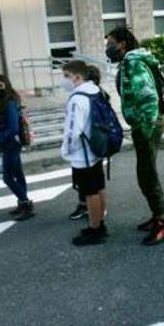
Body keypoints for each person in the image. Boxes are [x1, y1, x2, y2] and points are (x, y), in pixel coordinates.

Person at [105, 26, 164, 245]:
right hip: (146, 123)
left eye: (110, 43)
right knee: (145, 172)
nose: (108, 48)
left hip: (148, 124)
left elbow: (147, 97)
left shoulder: (133, 63)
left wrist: (144, 128)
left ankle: (163, 222)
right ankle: (156, 216)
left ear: (123, 43)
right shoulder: (131, 61)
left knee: (147, 173)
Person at [60, 60, 109, 246]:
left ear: (77, 77)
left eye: (66, 76)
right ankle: (100, 224)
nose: (63, 80)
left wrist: (66, 151)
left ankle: (95, 230)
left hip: (83, 154)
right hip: (96, 148)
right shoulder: (95, 91)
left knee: (90, 193)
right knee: (99, 188)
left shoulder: (77, 99)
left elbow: (73, 131)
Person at [0, 74, 34, 220]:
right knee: (18, 174)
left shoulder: (9, 102)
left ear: (6, 86)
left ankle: (26, 203)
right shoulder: (3, 101)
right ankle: (23, 203)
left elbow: (13, 128)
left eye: (1, 86)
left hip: (11, 144)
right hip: (9, 143)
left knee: (7, 177)